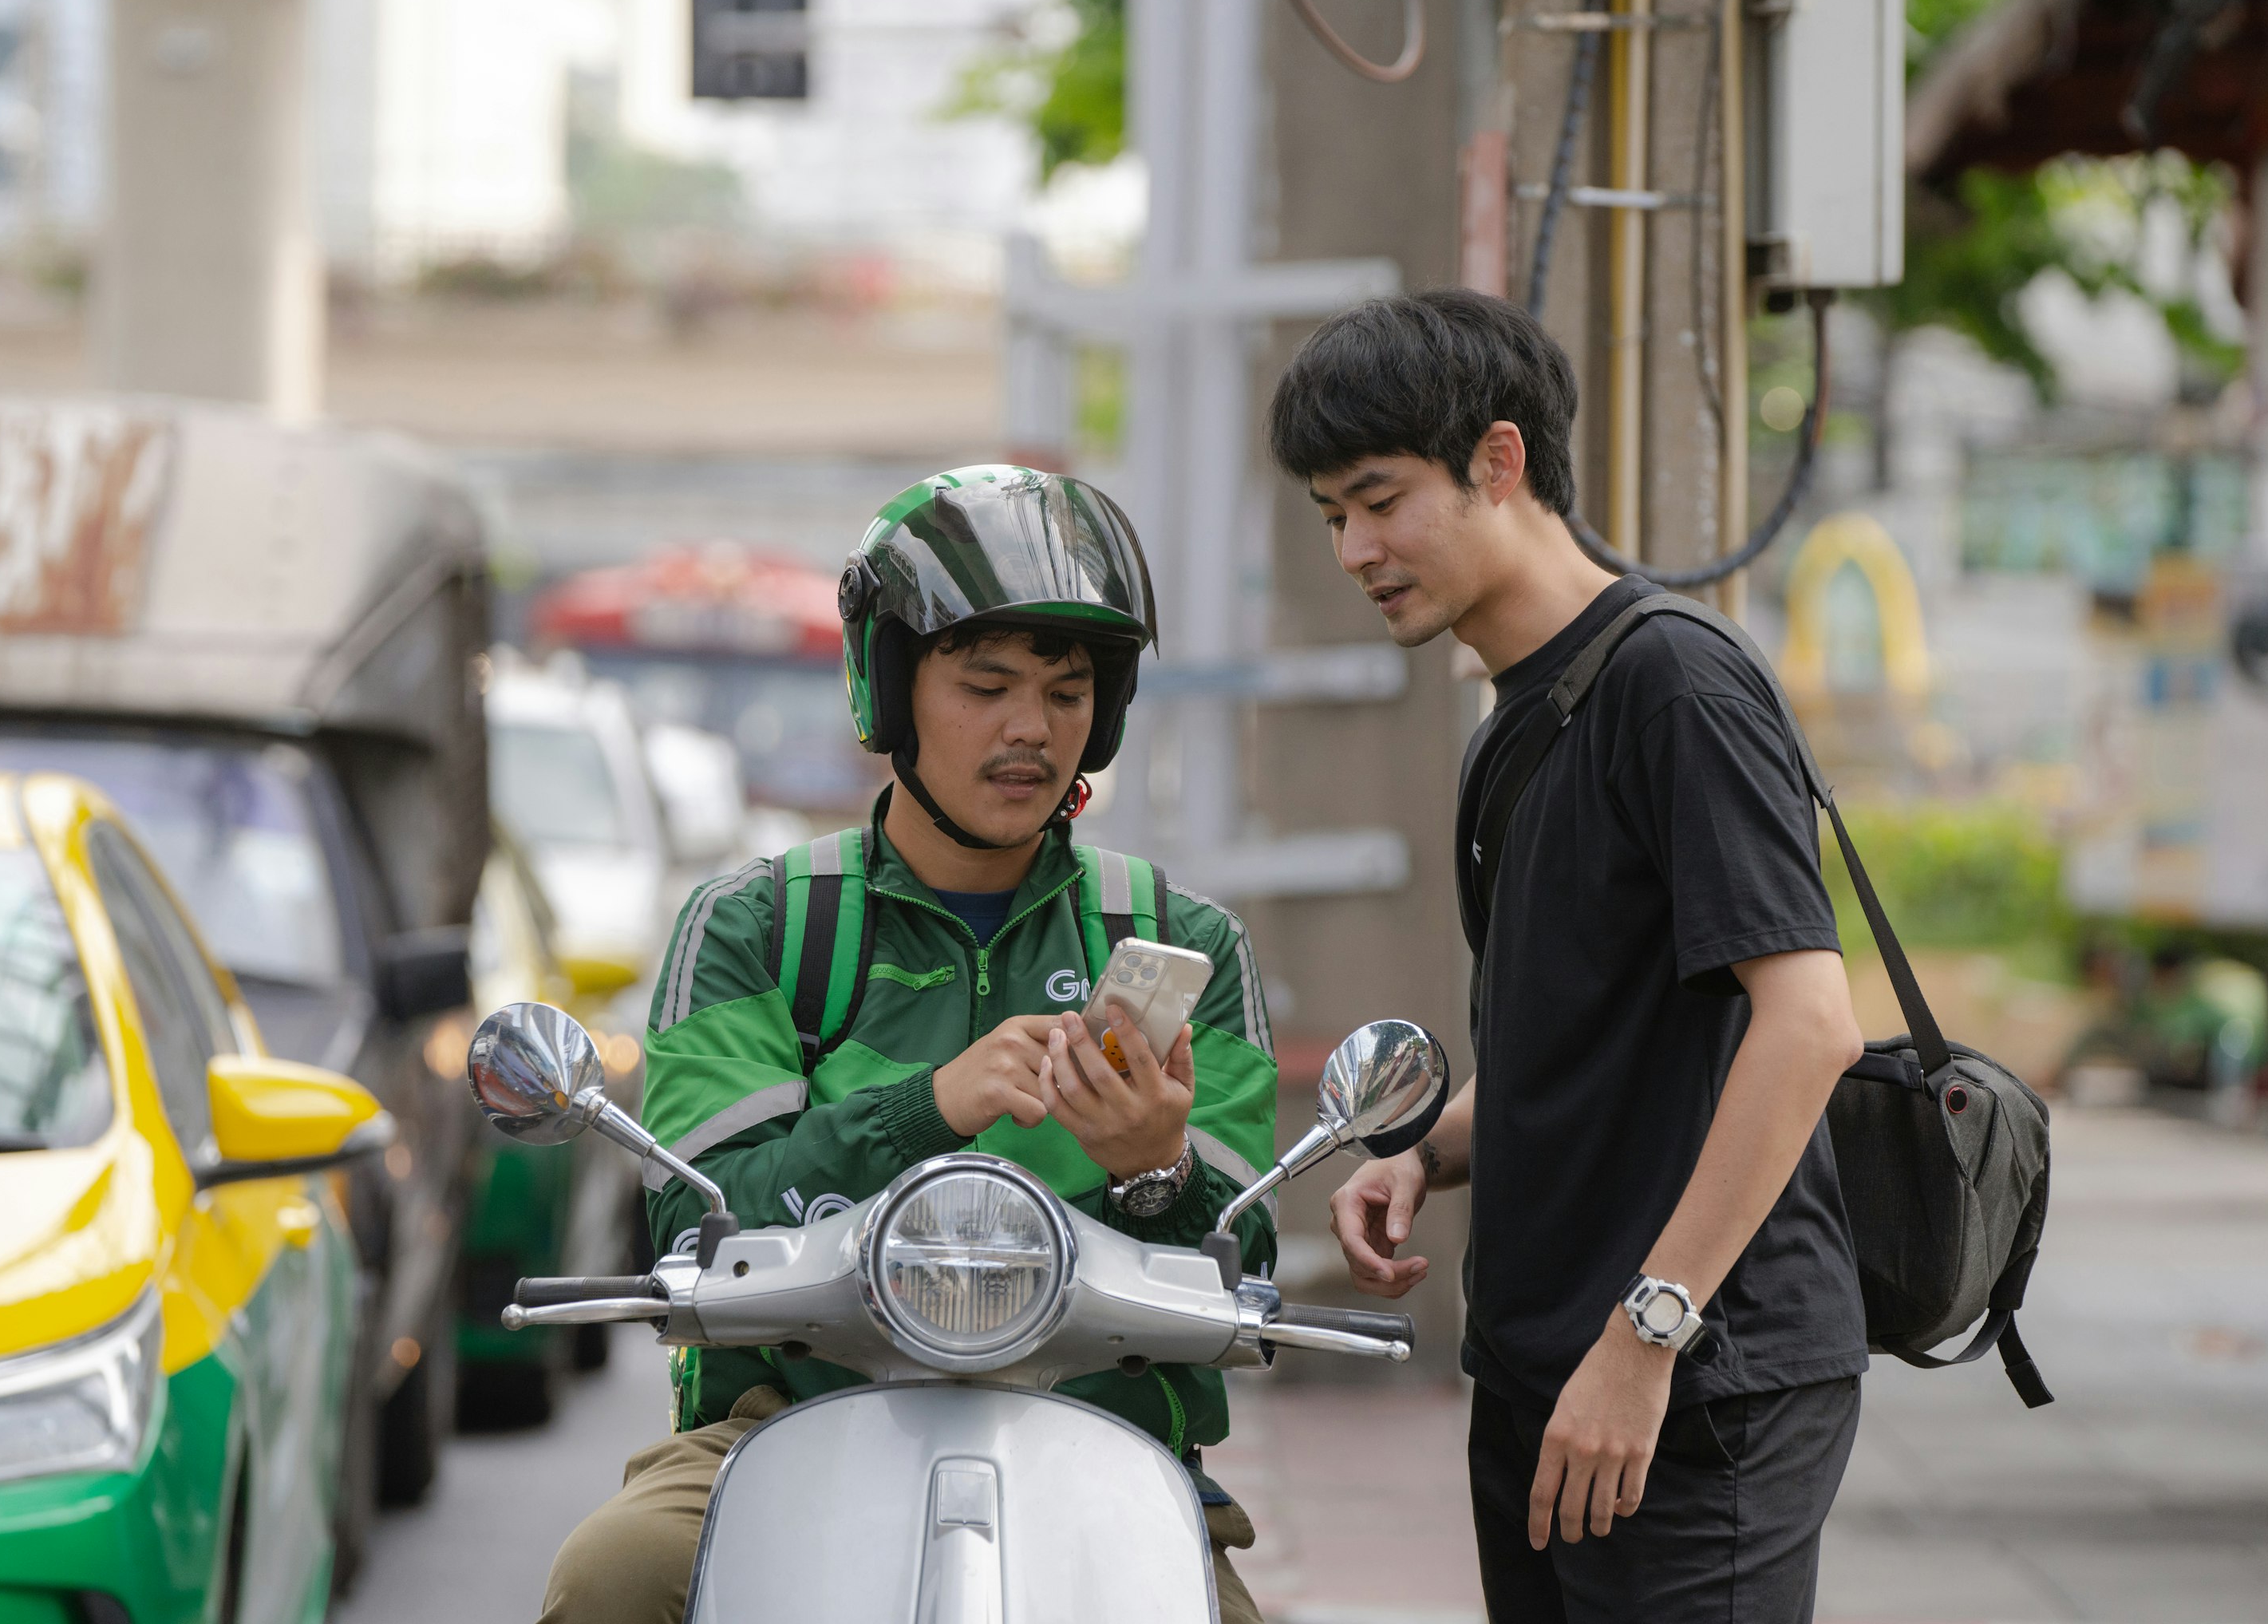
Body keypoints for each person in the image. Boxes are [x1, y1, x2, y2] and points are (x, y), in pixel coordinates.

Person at [538, 467, 1281, 1624]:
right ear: (888, 686)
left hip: (1114, 1444)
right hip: (780, 1428)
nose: (1030, 729)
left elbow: (1250, 1264)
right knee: (614, 1578)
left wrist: (1156, 1169)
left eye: (1067, 692)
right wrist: (927, 1108)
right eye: (985, 684)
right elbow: (702, 1216)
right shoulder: (762, 929)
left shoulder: (1183, 943)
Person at [1269, 290, 1868, 1622]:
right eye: (1331, 519)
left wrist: (1648, 1336)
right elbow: (1586, 1051)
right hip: (1548, 1373)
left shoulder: (1675, 685)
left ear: (1499, 458)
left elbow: (1809, 1024)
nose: (1358, 549)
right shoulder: (1513, 725)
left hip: (1698, 1379)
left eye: (1380, 499)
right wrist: (1422, 1155)